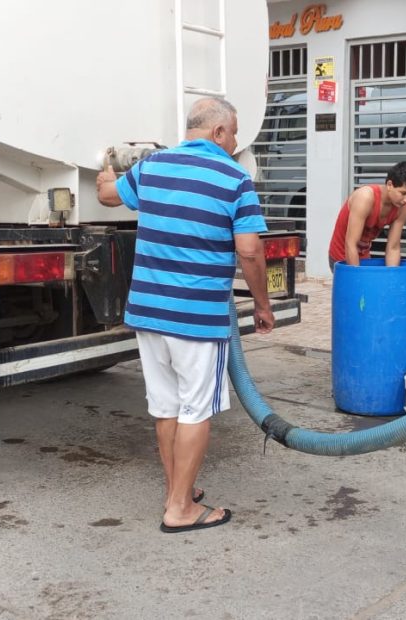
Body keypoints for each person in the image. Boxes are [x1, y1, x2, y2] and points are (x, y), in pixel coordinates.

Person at [96, 96, 275, 533]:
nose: (235, 142)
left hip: (148, 313)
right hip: (196, 318)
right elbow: (250, 250)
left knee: (165, 406)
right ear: (218, 133)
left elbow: (106, 197)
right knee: (196, 409)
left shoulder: (151, 168)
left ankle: (177, 488)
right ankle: (180, 509)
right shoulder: (235, 179)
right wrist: (263, 304)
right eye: (233, 133)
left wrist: (107, 174)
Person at [328, 161, 406, 270]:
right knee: (358, 285)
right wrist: (357, 278)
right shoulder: (365, 197)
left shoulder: (403, 207)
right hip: (341, 256)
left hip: (364, 256)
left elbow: (393, 247)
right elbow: (351, 244)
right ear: (390, 185)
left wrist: (392, 277)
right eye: (403, 193)